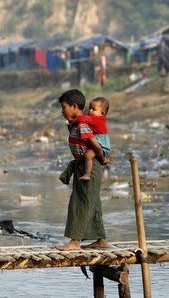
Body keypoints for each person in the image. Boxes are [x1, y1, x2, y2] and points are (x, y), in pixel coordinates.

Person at [56, 89, 109, 251]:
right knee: (93, 203)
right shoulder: (76, 124)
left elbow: (95, 145)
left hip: (89, 167)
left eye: (64, 107)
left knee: (79, 202)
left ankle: (75, 242)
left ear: (74, 106)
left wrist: (101, 157)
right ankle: (101, 240)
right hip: (84, 165)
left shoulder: (83, 125)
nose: (62, 111)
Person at [75, 97, 111, 181]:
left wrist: (75, 118)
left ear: (102, 113)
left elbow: (83, 119)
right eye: (90, 108)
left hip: (101, 146)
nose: (90, 111)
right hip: (100, 143)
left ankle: (87, 174)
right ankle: (104, 159)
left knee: (88, 155)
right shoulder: (98, 118)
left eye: (93, 109)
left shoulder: (96, 119)